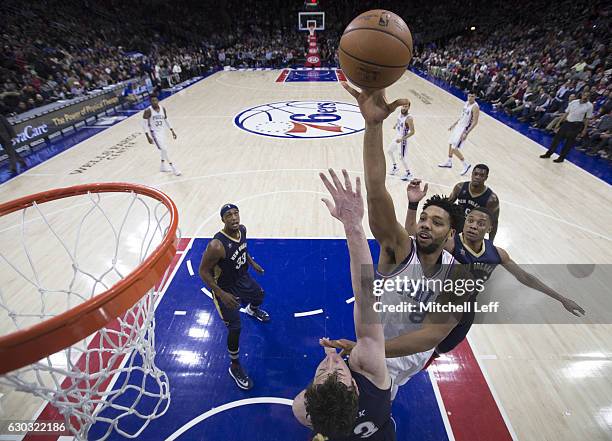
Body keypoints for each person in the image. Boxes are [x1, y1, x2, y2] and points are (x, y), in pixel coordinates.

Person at [339, 81, 466, 399]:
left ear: (450, 235)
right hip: (377, 349)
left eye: (437, 222)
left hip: (403, 358)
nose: (425, 224)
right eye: (424, 218)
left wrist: (370, 348)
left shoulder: (459, 276)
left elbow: (431, 336)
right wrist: (373, 126)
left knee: (368, 412)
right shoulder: (400, 248)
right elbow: (376, 188)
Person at [404, 189, 585, 355]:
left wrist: (562, 299)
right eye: (470, 221)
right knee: (415, 343)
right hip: (436, 300)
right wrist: (413, 206)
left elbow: (526, 277)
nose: (474, 226)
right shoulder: (451, 242)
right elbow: (413, 237)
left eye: (481, 223)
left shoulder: (497, 254)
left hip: (466, 308)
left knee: (442, 350)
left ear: (489, 229)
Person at [293, 169, 395, 441]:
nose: (329, 359)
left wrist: (337, 365)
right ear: (356, 389)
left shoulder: (303, 410)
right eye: (336, 369)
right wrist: (353, 227)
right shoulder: (371, 369)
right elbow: (365, 296)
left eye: (321, 371)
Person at [198, 204, 270, 390]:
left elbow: (243, 250)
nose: (234, 217)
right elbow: (203, 272)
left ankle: (251, 310)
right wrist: (221, 294)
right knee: (235, 328)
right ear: (223, 220)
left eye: (236, 213)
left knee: (260, 295)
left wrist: (252, 264)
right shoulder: (216, 245)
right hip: (224, 288)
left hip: (241, 277)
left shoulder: (242, 230)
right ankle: (235, 366)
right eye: (229, 215)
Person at [447, 164, 499, 242]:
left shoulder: (491, 199)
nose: (477, 177)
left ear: (486, 178)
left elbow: (494, 222)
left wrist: (491, 242)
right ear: (472, 174)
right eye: (475, 174)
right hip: (457, 225)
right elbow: (447, 205)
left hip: (474, 230)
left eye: (481, 175)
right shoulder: (459, 187)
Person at [540, 91, 593, 163]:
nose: (585, 97)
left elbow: (587, 118)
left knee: (569, 143)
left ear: (589, 97)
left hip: (576, 125)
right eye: (585, 95)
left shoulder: (589, 106)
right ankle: (548, 153)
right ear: (582, 95)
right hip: (567, 122)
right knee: (556, 139)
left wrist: (584, 129)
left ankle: (561, 157)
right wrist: (559, 122)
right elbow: (566, 113)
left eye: (588, 96)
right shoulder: (574, 102)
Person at [439, 93, 480, 175]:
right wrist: (454, 125)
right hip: (458, 126)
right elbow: (462, 116)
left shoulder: (475, 107)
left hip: (463, 129)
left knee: (454, 148)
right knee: (450, 144)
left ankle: (466, 164)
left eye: (472, 96)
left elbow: (475, 122)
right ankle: (449, 162)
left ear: (475, 97)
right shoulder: (466, 103)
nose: (470, 97)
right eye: (469, 96)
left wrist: (466, 132)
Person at [142, 95, 181, 176]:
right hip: (154, 133)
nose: (154, 102)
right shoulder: (148, 111)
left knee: (164, 149)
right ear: (150, 102)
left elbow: (166, 119)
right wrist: (147, 136)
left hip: (162, 131)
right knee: (164, 149)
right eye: (152, 101)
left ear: (158, 100)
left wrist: (172, 130)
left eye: (155, 100)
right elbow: (144, 124)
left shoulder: (162, 109)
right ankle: (173, 167)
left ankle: (162, 166)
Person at [386, 101, 415, 181]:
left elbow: (413, 132)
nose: (404, 108)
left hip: (403, 139)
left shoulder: (409, 118)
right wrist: (396, 125)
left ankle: (409, 173)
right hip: (397, 137)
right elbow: (399, 121)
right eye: (403, 106)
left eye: (406, 106)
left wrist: (401, 139)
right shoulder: (400, 113)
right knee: (389, 151)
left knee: (402, 158)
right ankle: (395, 167)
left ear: (409, 107)